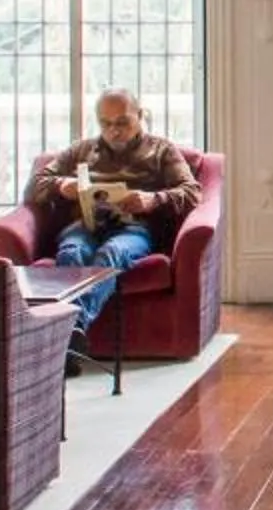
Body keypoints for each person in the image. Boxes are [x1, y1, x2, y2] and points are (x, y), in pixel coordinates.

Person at [28, 89, 200, 330]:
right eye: (105, 123)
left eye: (122, 122)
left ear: (139, 116)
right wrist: (61, 185)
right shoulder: (81, 150)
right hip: (84, 225)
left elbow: (192, 192)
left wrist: (153, 199)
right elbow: (36, 184)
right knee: (71, 252)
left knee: (111, 253)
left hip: (133, 229)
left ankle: (69, 332)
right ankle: (72, 336)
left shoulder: (162, 150)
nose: (114, 131)